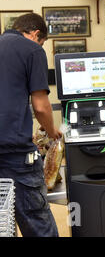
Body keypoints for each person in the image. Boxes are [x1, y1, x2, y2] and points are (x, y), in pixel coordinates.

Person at [0, 13, 62, 237]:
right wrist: (52, 132)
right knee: (38, 224)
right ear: (36, 34)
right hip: (15, 155)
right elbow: (41, 107)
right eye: (42, 41)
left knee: (3, 226)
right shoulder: (32, 49)